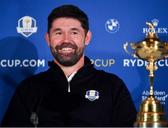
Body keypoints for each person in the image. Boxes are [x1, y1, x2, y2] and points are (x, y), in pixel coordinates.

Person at [1, 4, 137, 127]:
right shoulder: (28, 89)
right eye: (58, 33)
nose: (66, 40)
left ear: (87, 38)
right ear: (48, 39)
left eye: (74, 32)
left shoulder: (113, 86)